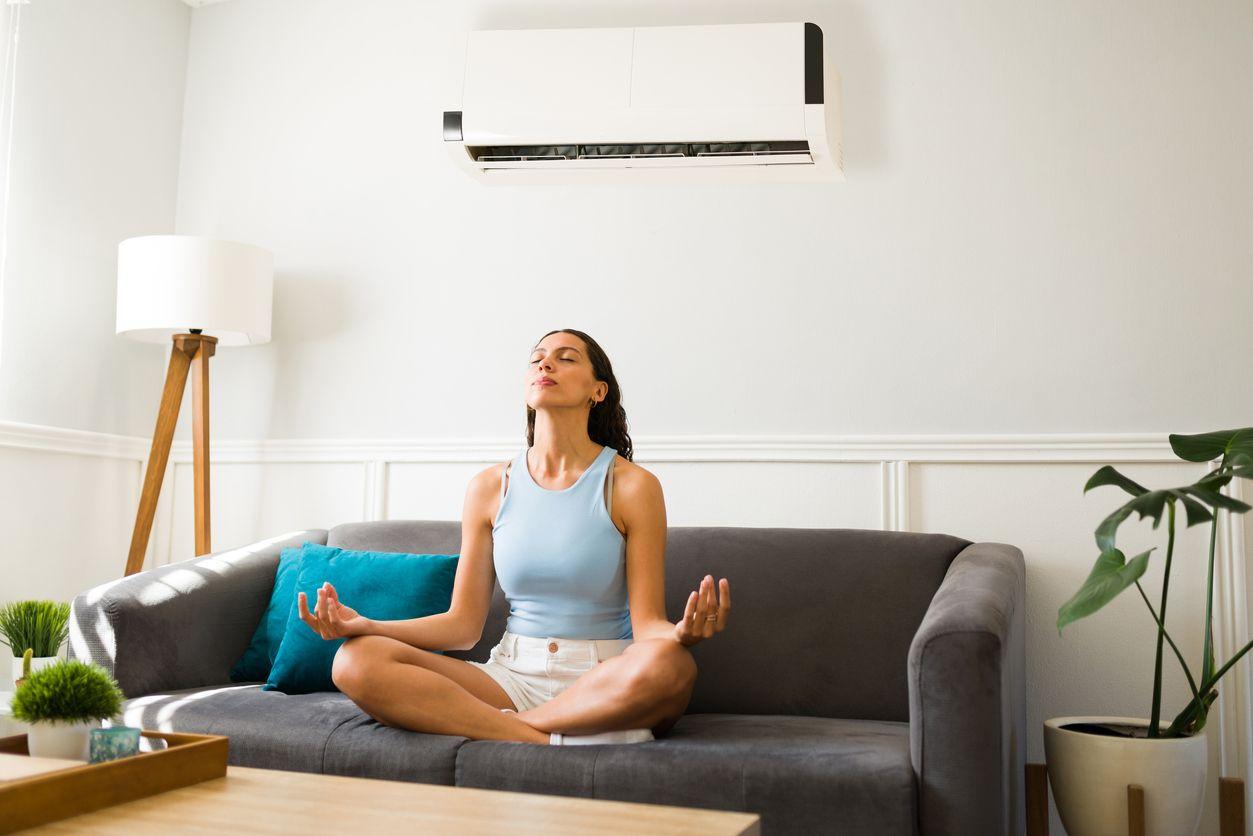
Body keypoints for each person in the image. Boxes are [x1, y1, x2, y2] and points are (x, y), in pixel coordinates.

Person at [298, 329, 731, 745]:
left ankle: (513, 728)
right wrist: (368, 626)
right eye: (538, 357)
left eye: (566, 357)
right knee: (356, 658)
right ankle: (553, 738)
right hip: (510, 677)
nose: (546, 363)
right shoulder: (489, 486)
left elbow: (648, 624)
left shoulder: (633, 486)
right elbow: (462, 627)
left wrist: (680, 636)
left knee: (672, 666)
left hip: (604, 675)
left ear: (597, 391)